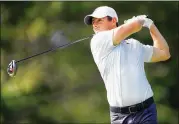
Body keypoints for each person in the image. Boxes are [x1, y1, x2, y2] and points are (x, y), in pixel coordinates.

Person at [84, 6, 170, 124]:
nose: (95, 24)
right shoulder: (98, 40)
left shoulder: (134, 44)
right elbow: (135, 26)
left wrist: (151, 25)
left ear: (113, 20)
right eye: (93, 22)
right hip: (119, 117)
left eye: (99, 20)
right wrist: (140, 20)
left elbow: (164, 53)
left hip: (146, 111)